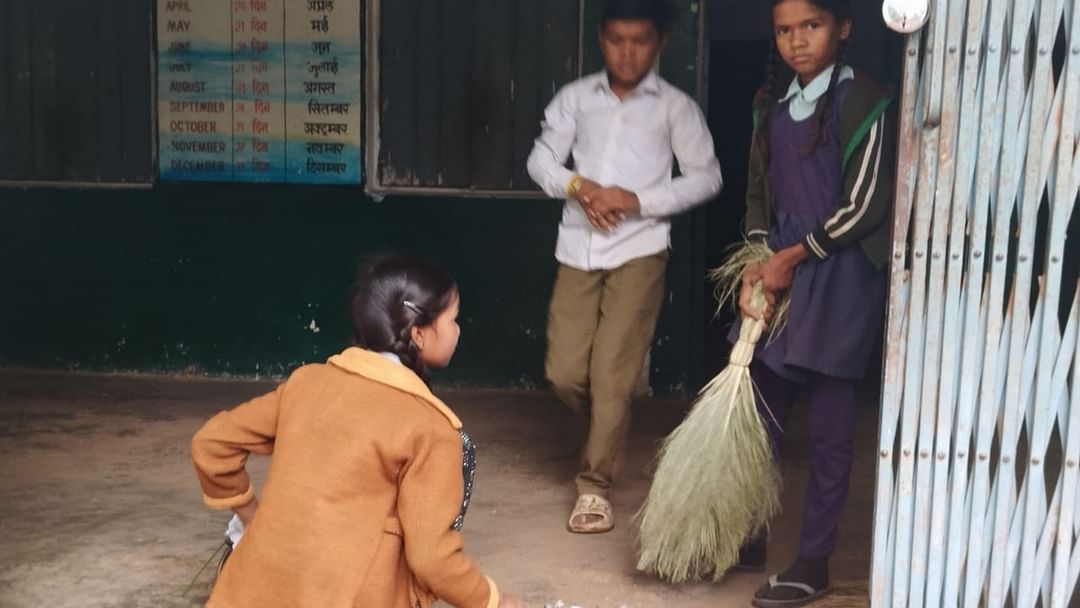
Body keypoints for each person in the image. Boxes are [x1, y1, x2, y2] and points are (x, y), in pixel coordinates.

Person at [191, 257, 524, 608]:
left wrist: (249, 513)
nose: (458, 330)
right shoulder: (430, 427)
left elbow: (212, 442)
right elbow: (432, 559)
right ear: (420, 334)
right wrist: (492, 599)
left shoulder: (307, 383)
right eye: (453, 320)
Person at [526, 0, 723, 535]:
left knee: (611, 375)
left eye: (639, 40)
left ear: (659, 43)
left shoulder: (675, 108)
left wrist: (635, 199)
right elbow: (541, 158)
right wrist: (578, 186)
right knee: (565, 372)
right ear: (601, 41)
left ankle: (594, 487)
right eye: (616, 39)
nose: (628, 51)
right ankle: (606, 432)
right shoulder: (575, 99)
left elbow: (707, 177)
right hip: (577, 248)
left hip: (640, 249)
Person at [732, 0, 894, 605]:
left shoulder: (865, 101)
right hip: (778, 270)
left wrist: (789, 258)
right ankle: (749, 534)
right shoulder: (768, 106)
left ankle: (815, 561)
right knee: (759, 417)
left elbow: (865, 206)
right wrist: (754, 263)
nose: (797, 40)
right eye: (784, 29)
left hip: (840, 276)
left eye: (812, 25)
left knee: (828, 430)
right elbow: (757, 196)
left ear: (843, 28)